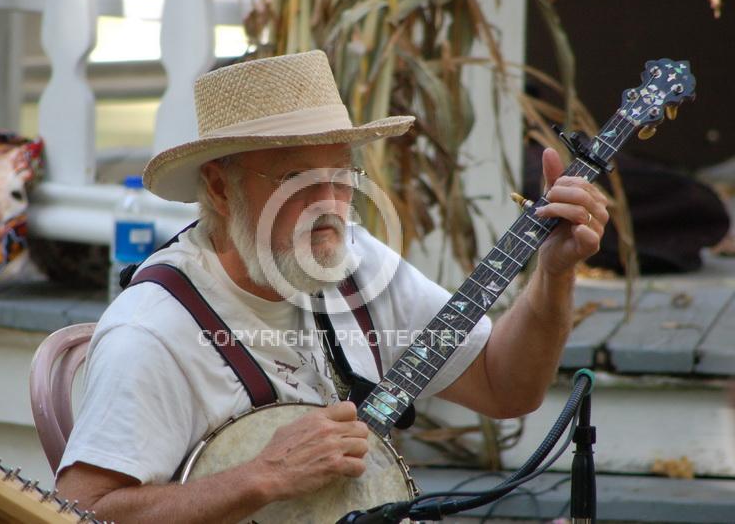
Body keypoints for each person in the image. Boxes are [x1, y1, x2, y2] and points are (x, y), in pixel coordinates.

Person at [56, 50, 608, 523]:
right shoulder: (152, 331)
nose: (330, 201)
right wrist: (262, 476)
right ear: (221, 189)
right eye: (295, 177)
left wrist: (553, 276)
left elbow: (505, 386)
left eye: (341, 172)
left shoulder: (354, 261)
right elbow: (79, 513)